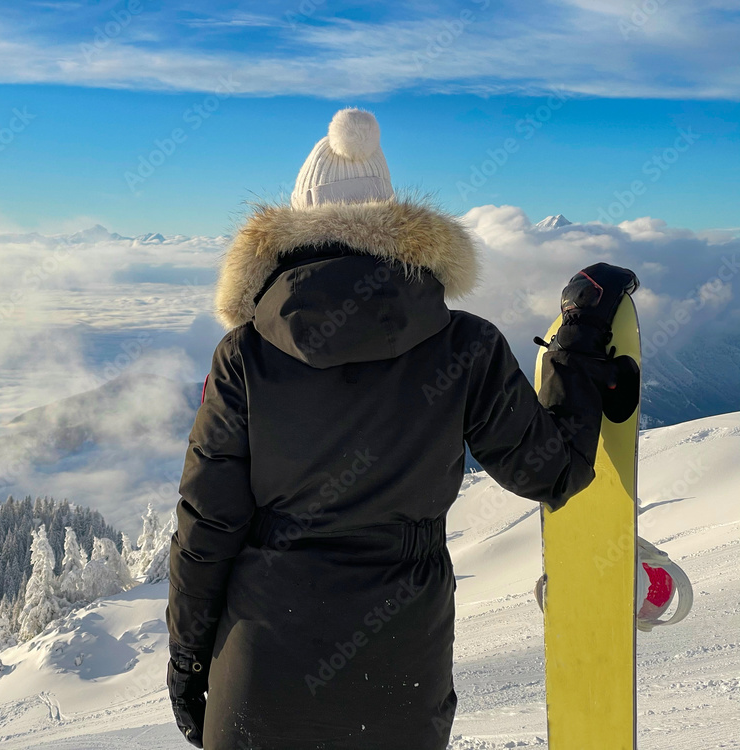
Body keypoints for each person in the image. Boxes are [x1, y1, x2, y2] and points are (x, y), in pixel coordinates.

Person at [164, 108, 638, 749]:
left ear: (293, 233)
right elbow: (550, 471)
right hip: (396, 684)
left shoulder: (246, 355)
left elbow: (206, 529)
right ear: (397, 226)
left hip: (258, 684)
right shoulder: (464, 346)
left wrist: (190, 664)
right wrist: (578, 346)